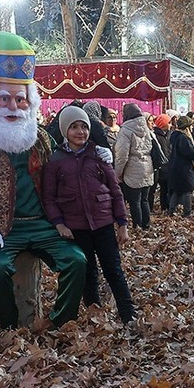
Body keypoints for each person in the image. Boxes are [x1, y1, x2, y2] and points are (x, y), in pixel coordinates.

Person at [0, 32, 87, 331]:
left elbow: (63, 168)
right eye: (4, 98)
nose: (13, 106)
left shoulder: (39, 136)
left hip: (44, 225)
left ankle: (58, 322)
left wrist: (92, 155)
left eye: (20, 99)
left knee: (76, 260)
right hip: (1, 228)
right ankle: (6, 326)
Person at [43, 106, 136, 323]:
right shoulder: (56, 161)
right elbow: (49, 198)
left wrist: (122, 222)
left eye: (84, 127)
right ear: (65, 130)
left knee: (113, 270)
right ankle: (95, 313)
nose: (80, 132)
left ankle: (128, 314)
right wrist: (59, 224)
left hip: (102, 224)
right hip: (76, 228)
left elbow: (115, 191)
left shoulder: (98, 155)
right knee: (87, 272)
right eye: (74, 127)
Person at [112, 103, 155, 230]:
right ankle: (146, 225)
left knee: (135, 201)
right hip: (147, 166)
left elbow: (122, 155)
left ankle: (138, 226)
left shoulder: (125, 130)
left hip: (132, 168)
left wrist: (117, 173)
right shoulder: (146, 128)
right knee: (145, 199)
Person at [164, 114, 194, 216]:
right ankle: (187, 213)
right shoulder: (184, 138)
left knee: (177, 191)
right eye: (191, 126)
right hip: (184, 169)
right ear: (187, 127)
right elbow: (190, 153)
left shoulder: (174, 136)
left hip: (175, 168)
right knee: (187, 191)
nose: (192, 127)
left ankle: (171, 211)